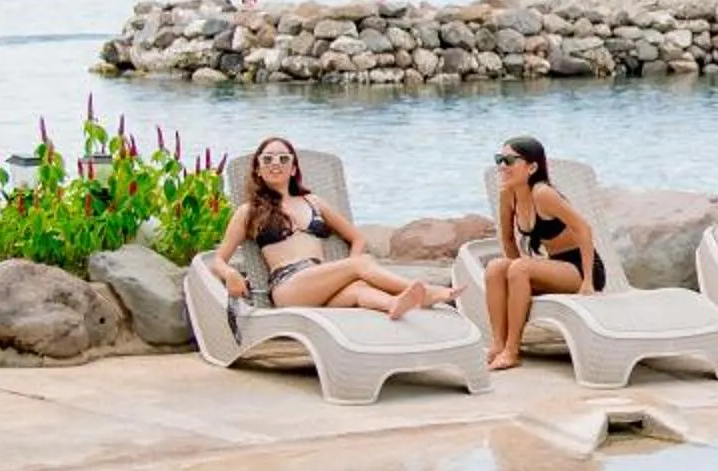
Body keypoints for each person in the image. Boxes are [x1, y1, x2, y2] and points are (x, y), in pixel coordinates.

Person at [205, 136, 453, 318]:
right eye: (267, 159)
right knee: (362, 264)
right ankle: (427, 292)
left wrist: (348, 270)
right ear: (258, 170)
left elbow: (356, 238)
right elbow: (219, 260)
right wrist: (230, 274)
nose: (275, 163)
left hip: (319, 283)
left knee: (358, 289)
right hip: (289, 286)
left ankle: (395, 305)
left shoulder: (313, 202)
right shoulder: (249, 211)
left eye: (283, 159)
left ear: (293, 169)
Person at [478, 135, 606, 373]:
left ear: (532, 167)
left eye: (509, 160)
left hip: (580, 268)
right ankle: (498, 345)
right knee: (496, 267)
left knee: (519, 268)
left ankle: (512, 350)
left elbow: (584, 229)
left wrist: (588, 282)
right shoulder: (508, 194)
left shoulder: (543, 193)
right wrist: (515, 278)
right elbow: (506, 238)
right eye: (499, 160)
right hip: (555, 266)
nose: (502, 166)